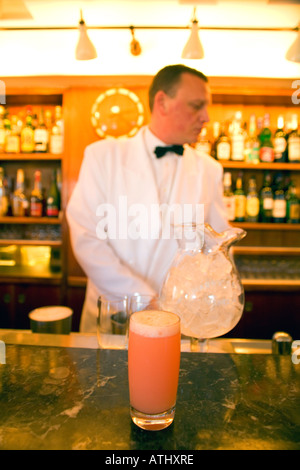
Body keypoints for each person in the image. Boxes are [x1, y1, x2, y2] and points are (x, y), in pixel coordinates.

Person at [66, 64, 229, 332]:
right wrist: (144, 301)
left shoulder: (209, 169)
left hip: (180, 319)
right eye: (196, 106)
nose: (206, 117)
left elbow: (217, 245)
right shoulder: (103, 156)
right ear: (162, 102)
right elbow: (86, 237)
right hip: (114, 313)